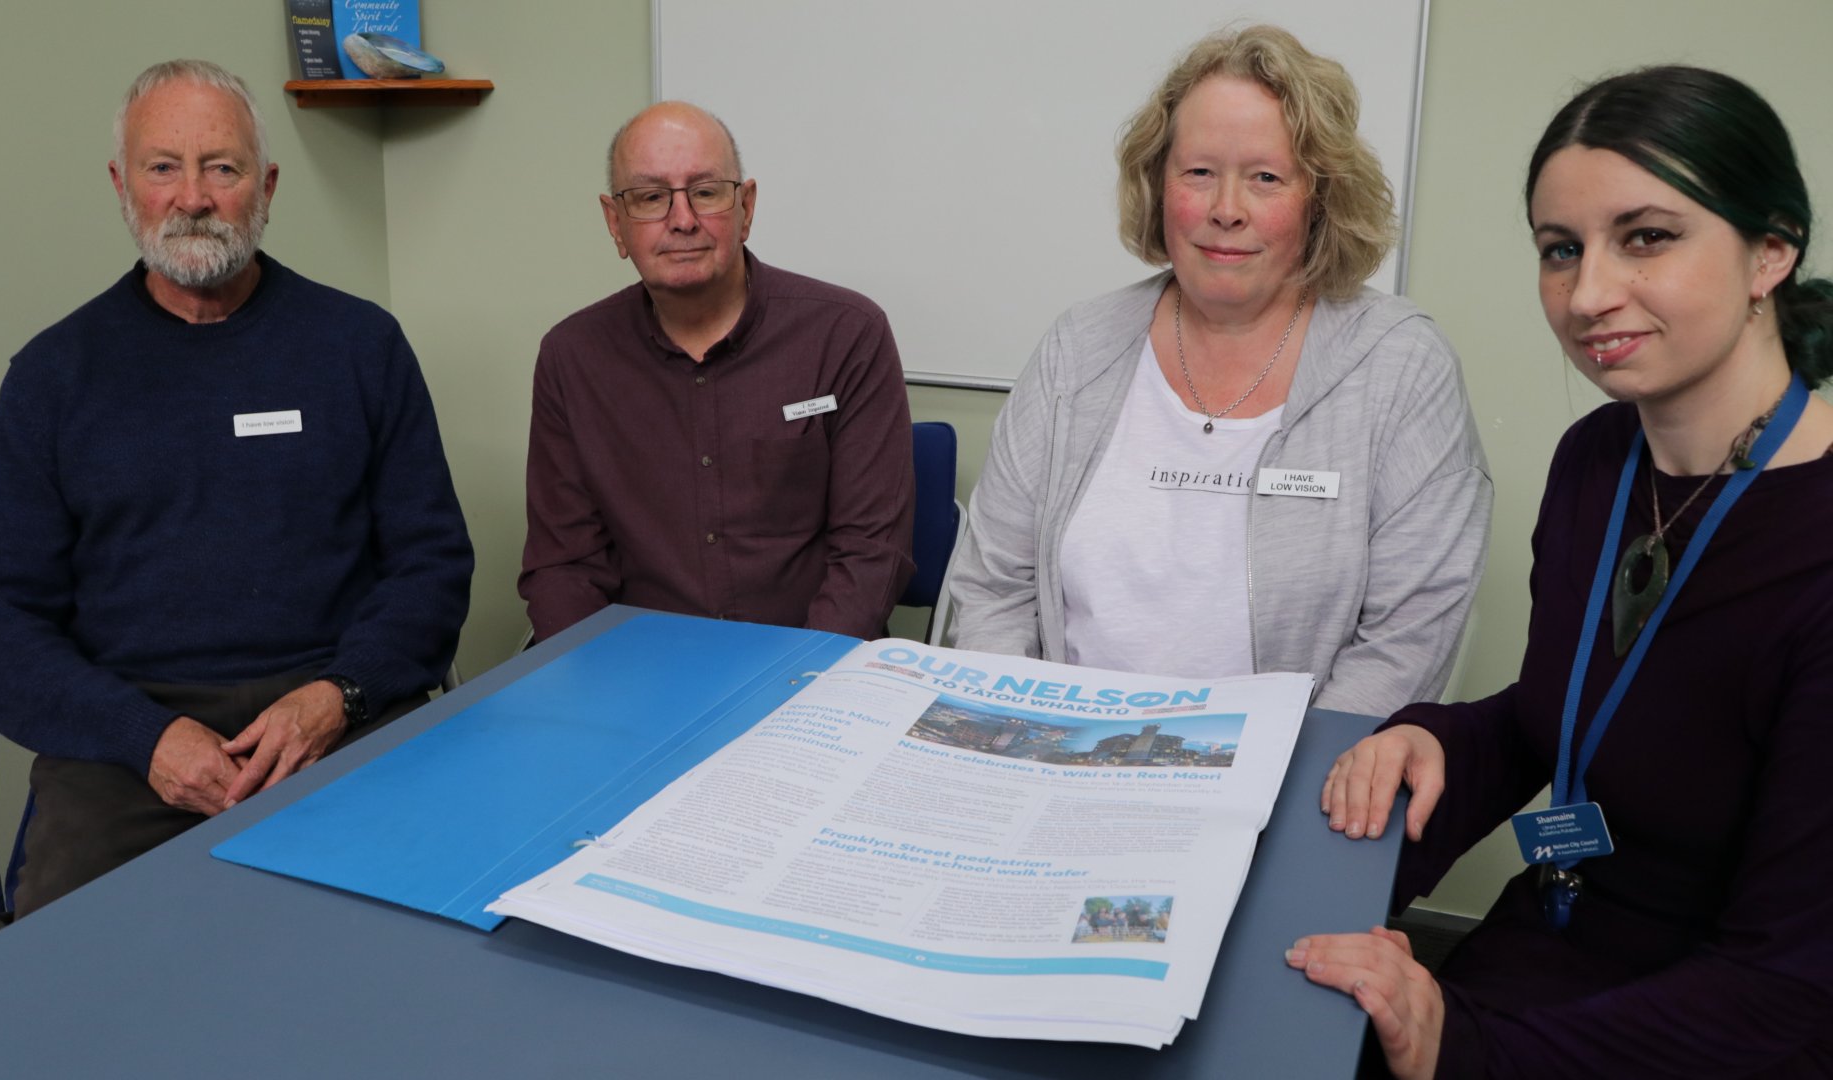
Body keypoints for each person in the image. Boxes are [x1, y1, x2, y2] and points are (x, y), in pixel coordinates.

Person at [1297, 66, 1833, 1079]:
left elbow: (1791, 990)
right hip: (1549, 939)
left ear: (1771, 250)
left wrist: (1464, 1044)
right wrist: (1432, 736)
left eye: (1647, 237)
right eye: (1560, 250)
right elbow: (1570, 710)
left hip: (1723, 1026)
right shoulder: (1600, 458)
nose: (1588, 295)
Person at [0, 60, 474, 924]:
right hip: (126, 746)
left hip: (334, 714)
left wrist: (335, 699)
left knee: (437, 933)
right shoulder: (53, 376)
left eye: (221, 168)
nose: (192, 196)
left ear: (265, 187)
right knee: (69, 985)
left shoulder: (360, 347)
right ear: (124, 186)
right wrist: (144, 738)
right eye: (163, 167)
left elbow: (432, 565)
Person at [945, 25, 1489, 717]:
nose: (1226, 210)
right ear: (1158, 182)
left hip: (1293, 779)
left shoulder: (1402, 368)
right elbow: (994, 588)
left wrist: (1284, 786)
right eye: (1199, 173)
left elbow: (1408, 636)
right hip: (1057, 754)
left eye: (1265, 178)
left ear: (1319, 196)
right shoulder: (1078, 348)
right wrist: (1022, 734)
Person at [519, 102, 915, 643]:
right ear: (615, 223)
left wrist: (796, 683)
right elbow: (565, 567)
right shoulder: (573, 357)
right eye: (651, 197)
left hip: (812, 670)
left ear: (746, 207)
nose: (682, 220)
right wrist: (594, 690)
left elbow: (871, 555)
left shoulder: (847, 334)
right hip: (642, 674)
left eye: (705, 191)